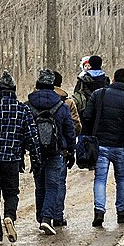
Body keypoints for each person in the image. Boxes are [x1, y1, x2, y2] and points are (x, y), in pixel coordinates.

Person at [0, 70, 42, 243]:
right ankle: (9, 216)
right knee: (11, 193)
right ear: (14, 90)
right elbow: (32, 137)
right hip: (11, 160)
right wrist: (35, 158)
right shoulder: (22, 109)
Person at [82, 68, 124, 226]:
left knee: (100, 179)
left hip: (100, 145)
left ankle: (99, 212)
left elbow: (87, 116)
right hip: (120, 146)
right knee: (121, 179)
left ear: (113, 79)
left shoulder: (98, 94)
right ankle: (121, 213)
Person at [26, 69, 76, 235]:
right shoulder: (61, 106)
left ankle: (40, 216)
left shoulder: (28, 105)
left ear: (38, 85)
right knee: (53, 185)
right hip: (56, 151)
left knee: (39, 185)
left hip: (36, 151)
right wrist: (71, 150)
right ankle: (47, 218)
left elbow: (24, 130)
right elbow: (70, 130)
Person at [53, 70, 81, 227]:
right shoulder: (67, 102)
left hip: (41, 149)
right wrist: (71, 148)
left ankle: (44, 215)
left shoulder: (35, 101)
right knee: (59, 182)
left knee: (42, 183)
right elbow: (75, 126)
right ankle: (57, 216)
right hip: (61, 149)